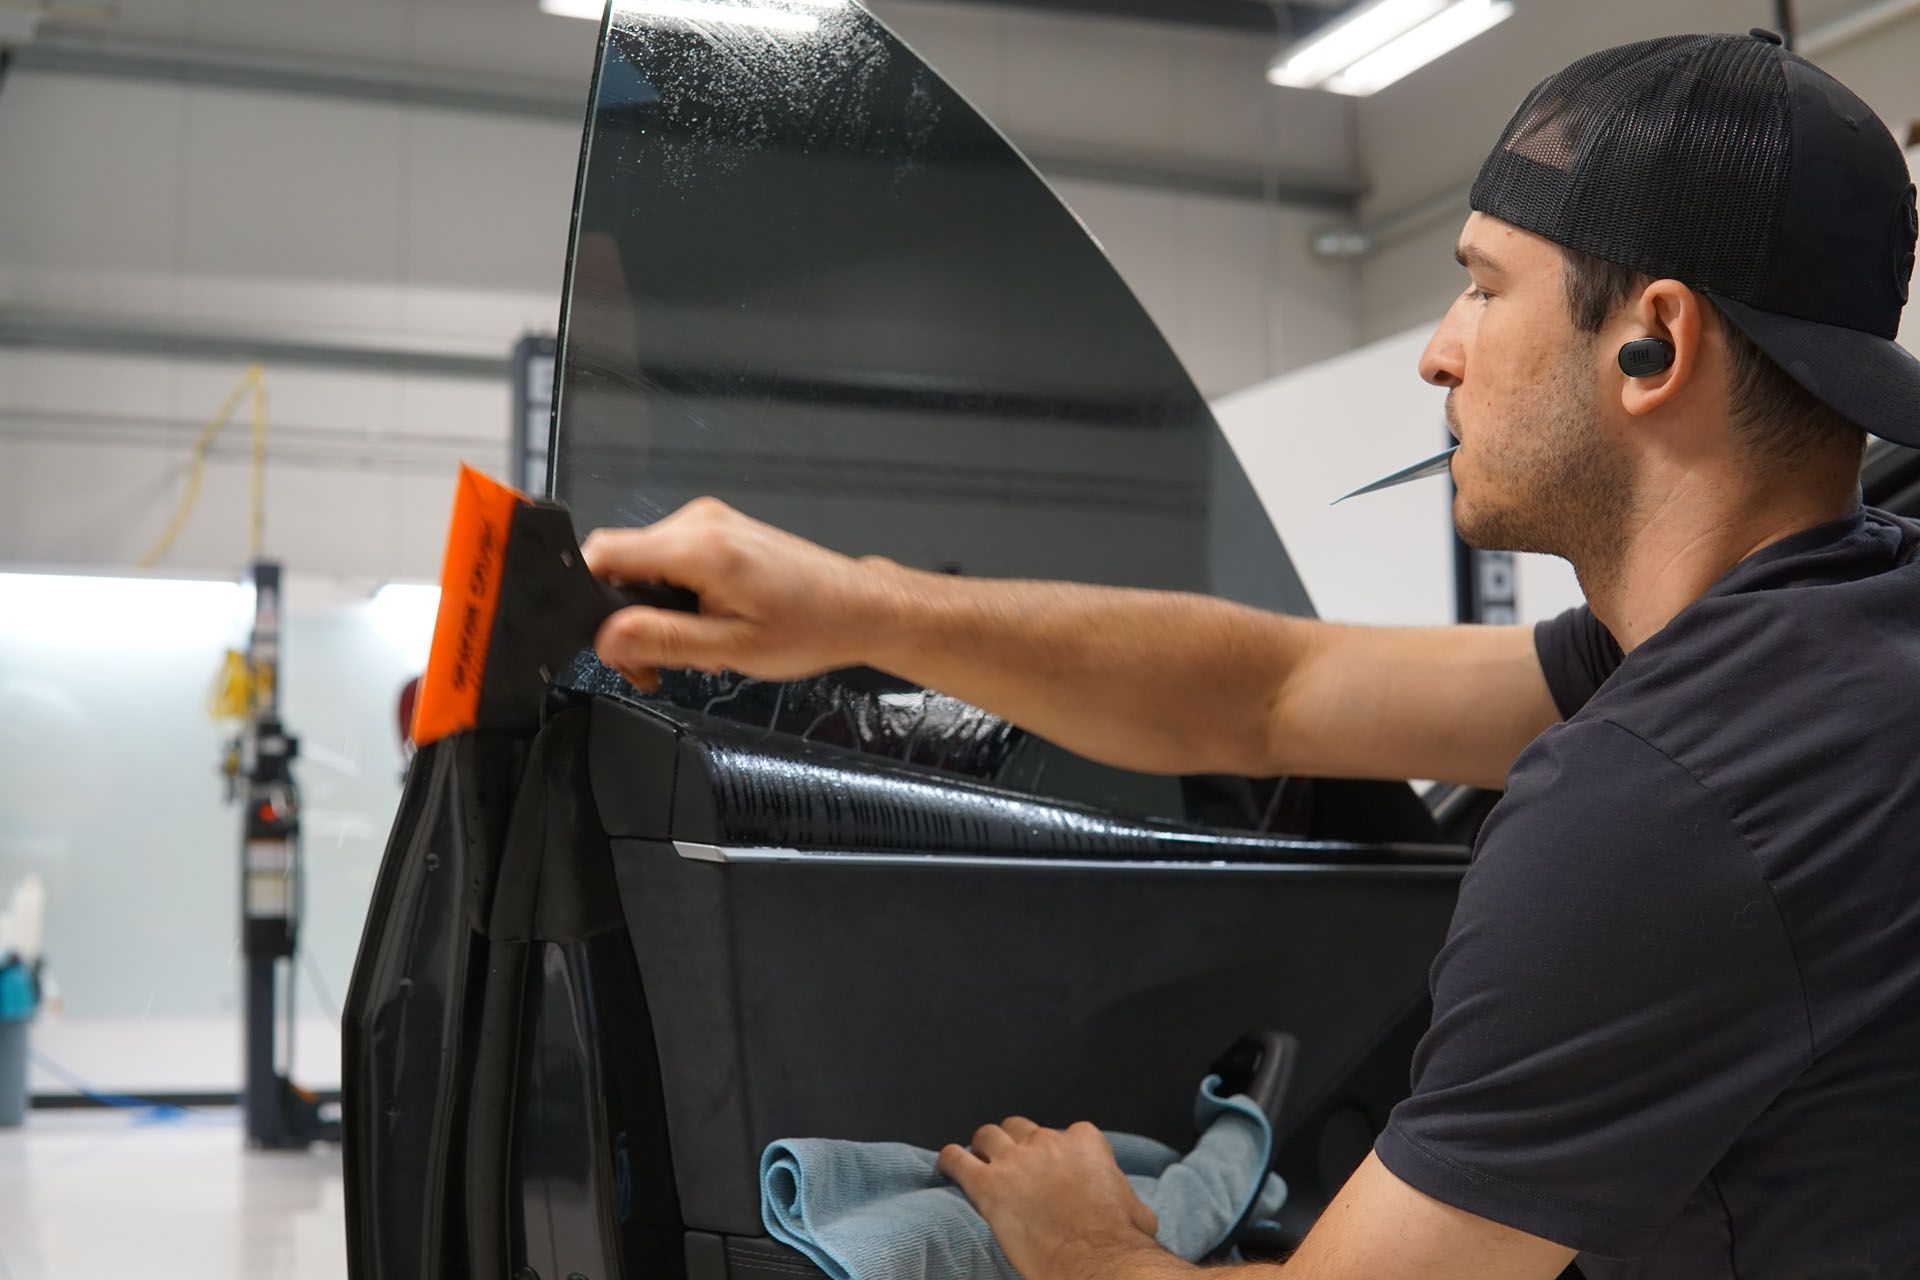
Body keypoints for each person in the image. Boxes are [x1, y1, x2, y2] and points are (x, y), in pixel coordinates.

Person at [582, 31, 1920, 1280]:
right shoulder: (1819, 655)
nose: (1441, 356)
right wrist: (863, 609)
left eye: (1482, 285)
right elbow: (1279, 693)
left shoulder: (1667, 800)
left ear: (1654, 342)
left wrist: (1090, 1247)